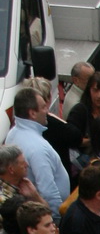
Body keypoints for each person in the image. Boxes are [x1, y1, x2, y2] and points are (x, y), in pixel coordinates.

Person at [7, 89, 70, 219]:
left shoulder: (13, 133)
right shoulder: (38, 148)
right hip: (47, 218)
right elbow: (48, 191)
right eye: (43, 107)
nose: (47, 111)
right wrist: (57, 221)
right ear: (32, 113)